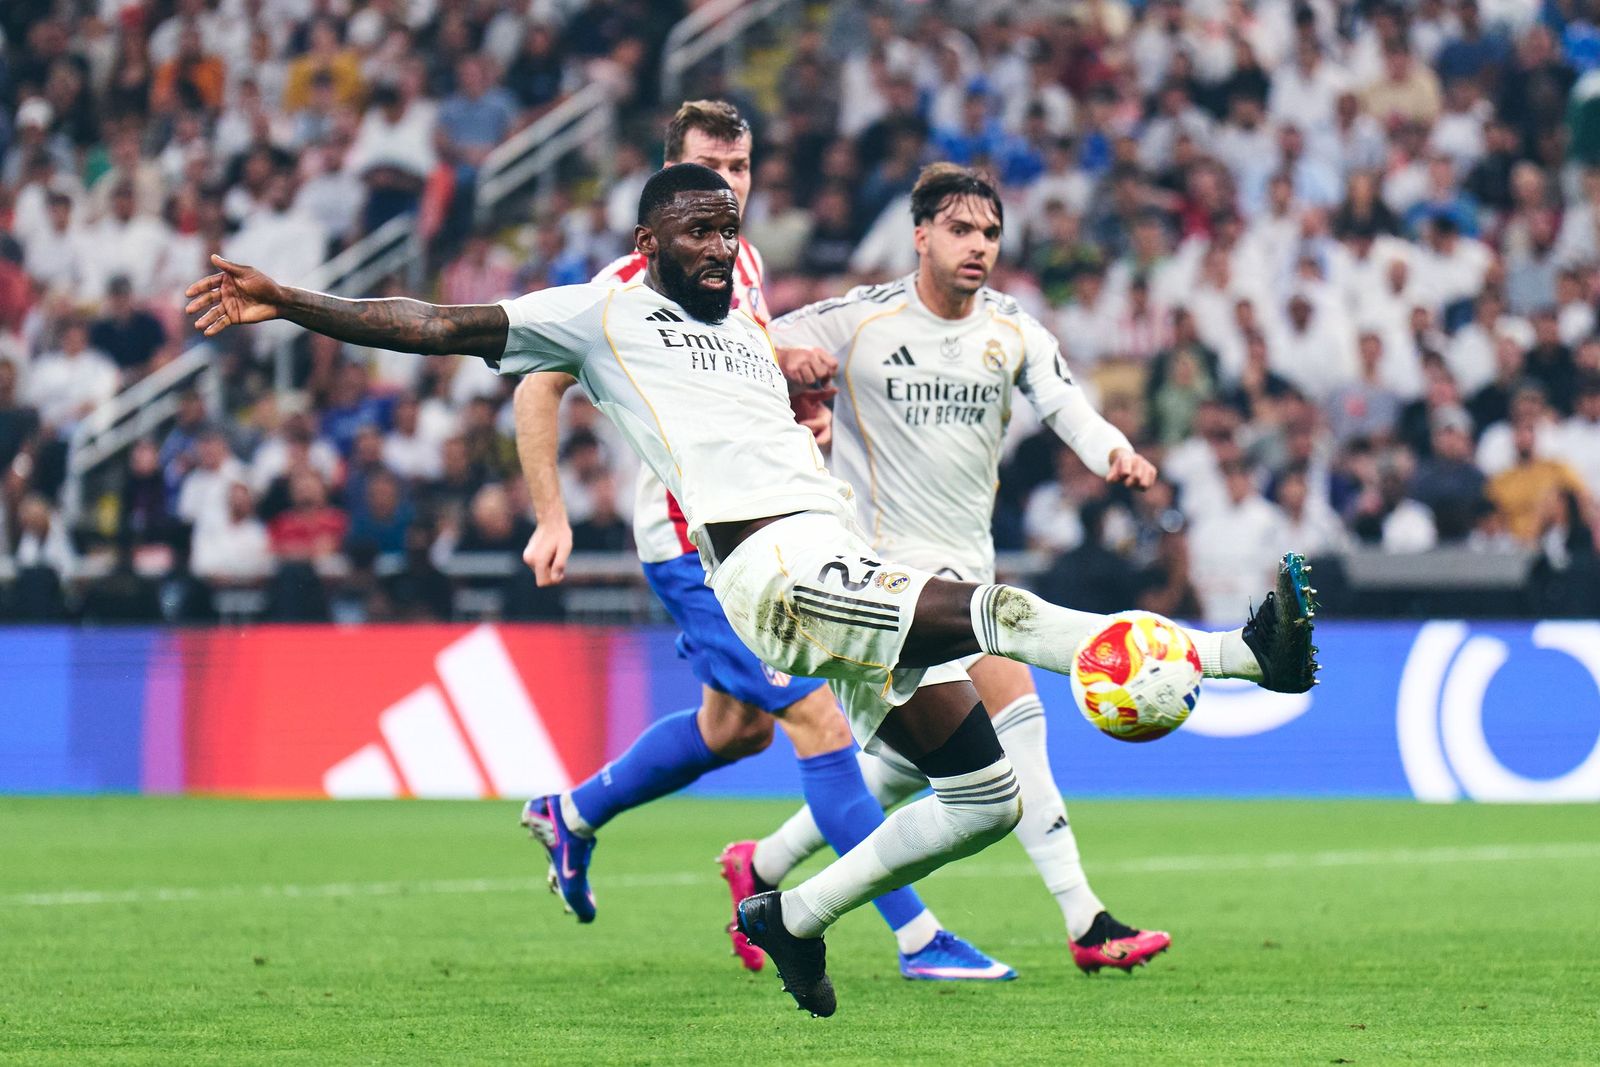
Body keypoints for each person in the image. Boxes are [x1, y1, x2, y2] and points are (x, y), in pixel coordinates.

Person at [184, 161, 1319, 1018]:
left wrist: (805, 382)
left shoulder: (748, 319)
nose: (719, 244)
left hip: (830, 557)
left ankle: (790, 911)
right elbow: (436, 324)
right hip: (774, 569)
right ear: (648, 237)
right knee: (988, 611)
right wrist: (288, 299)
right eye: (696, 228)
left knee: (981, 795)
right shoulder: (603, 309)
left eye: (728, 227)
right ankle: (1243, 656)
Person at [510, 101, 1009, 983]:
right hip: (694, 539)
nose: (731, 186)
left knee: (733, 729)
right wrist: (551, 514)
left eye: (741, 171)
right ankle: (917, 935)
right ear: (671, 180)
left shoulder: (738, 258)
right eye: (713, 169)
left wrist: (796, 398)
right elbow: (537, 385)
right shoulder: (629, 281)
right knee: (817, 718)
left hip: (766, 530)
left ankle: (571, 812)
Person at [744, 163, 1171, 973]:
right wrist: (790, 363)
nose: (979, 246)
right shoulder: (860, 320)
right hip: (879, 578)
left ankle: (765, 865)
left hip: (965, 566)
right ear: (921, 236)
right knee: (1020, 718)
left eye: (991, 233)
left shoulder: (1011, 329)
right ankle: (1087, 921)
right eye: (962, 230)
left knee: (913, 764)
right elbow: (752, 341)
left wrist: (1112, 450)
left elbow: (1064, 400)